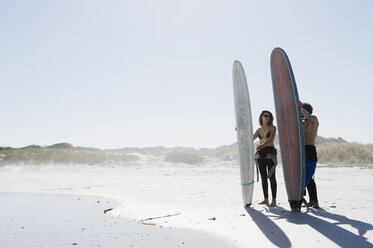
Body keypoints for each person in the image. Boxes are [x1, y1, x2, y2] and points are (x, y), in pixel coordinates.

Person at [253, 110, 277, 207]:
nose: (268, 117)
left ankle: (274, 200)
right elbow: (251, 138)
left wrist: (262, 145)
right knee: (263, 177)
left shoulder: (272, 128)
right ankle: (266, 199)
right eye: (266, 115)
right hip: (261, 153)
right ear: (261, 117)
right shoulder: (259, 130)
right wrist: (240, 131)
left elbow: (271, 140)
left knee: (271, 177)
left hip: (270, 152)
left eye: (269, 116)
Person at [298, 101, 320, 208]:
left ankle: (313, 201)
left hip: (310, 150)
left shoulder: (314, 120)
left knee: (308, 176)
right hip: (302, 151)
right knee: (308, 178)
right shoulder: (300, 124)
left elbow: (309, 117)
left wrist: (300, 107)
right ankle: (313, 201)